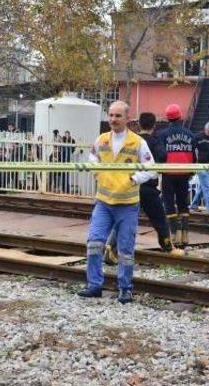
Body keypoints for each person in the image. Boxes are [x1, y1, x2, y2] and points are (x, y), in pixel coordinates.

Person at [77, 101, 156, 304]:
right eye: (111, 115)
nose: (113, 119)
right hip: (103, 202)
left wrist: (134, 179)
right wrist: (97, 172)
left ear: (127, 118)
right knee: (94, 244)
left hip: (127, 204)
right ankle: (94, 285)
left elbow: (152, 168)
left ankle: (125, 289)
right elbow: (92, 158)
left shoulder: (137, 142)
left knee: (125, 250)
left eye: (118, 116)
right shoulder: (102, 139)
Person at [104, 112, 184, 262]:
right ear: (154, 125)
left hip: (130, 186)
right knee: (159, 218)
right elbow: (162, 156)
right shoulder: (155, 140)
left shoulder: (133, 140)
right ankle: (168, 246)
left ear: (139, 124)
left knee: (123, 218)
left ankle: (110, 246)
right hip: (148, 188)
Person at [157, 103, 196, 246]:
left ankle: (173, 235)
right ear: (180, 116)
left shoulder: (162, 135)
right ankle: (185, 236)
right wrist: (191, 171)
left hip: (168, 172)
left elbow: (161, 154)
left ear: (168, 118)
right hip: (184, 172)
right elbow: (193, 154)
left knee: (169, 203)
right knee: (183, 203)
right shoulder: (190, 135)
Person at [190, 122, 209, 214]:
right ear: (204, 130)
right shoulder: (197, 137)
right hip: (201, 165)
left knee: (203, 187)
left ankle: (194, 205)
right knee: (207, 186)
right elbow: (192, 150)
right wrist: (194, 162)